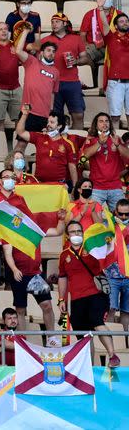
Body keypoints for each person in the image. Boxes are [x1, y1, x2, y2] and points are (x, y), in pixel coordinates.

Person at [58, 220, 120, 367]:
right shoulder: (63, 255)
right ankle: (89, 368)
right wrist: (61, 299)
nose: (76, 234)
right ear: (67, 236)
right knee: (84, 337)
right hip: (77, 299)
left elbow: (109, 250)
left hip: (96, 295)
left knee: (96, 321)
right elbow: (62, 277)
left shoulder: (93, 248)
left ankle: (112, 355)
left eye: (79, 231)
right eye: (73, 232)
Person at [2, 208, 66, 337]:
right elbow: (8, 254)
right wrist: (14, 269)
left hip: (35, 276)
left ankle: (51, 338)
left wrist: (62, 219)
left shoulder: (35, 230)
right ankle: (21, 341)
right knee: (20, 310)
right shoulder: (9, 233)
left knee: (47, 305)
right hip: (19, 276)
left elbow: (58, 231)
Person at [13, 30, 60, 153]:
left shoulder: (56, 72)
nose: (51, 53)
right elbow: (18, 51)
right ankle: (12, 171)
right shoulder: (32, 62)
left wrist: (51, 113)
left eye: (53, 51)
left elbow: (52, 94)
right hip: (29, 113)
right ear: (42, 52)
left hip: (45, 116)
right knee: (21, 146)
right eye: (48, 50)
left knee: (45, 149)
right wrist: (25, 32)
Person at [39, 13, 87, 129]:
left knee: (78, 115)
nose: (54, 24)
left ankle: (76, 143)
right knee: (53, 117)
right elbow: (38, 61)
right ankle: (55, 145)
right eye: (52, 22)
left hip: (72, 82)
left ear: (65, 24)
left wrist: (76, 62)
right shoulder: (45, 40)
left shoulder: (76, 39)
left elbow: (85, 58)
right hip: (52, 82)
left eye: (57, 22)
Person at [15, 108, 77, 186]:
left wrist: (75, 187)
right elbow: (20, 132)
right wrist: (24, 115)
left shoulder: (68, 144)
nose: (48, 124)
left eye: (52, 122)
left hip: (59, 184)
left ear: (59, 126)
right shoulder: (39, 137)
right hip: (39, 183)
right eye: (48, 122)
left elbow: (72, 167)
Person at [81, 113, 129, 210]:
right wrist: (99, 143)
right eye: (101, 121)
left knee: (122, 217)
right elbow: (85, 156)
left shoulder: (117, 139)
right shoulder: (90, 140)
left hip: (115, 186)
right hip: (96, 187)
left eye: (107, 121)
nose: (104, 123)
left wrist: (118, 145)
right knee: (91, 215)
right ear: (96, 124)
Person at [97, 1, 129, 127]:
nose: (125, 23)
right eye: (121, 21)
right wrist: (100, 8)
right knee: (115, 117)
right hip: (116, 82)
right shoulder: (110, 37)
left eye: (126, 21)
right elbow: (104, 23)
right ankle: (114, 144)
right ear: (115, 25)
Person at [80, 0, 122, 67]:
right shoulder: (89, 14)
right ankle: (93, 76)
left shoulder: (119, 14)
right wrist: (85, 46)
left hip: (113, 46)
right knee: (84, 56)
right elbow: (82, 35)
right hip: (94, 46)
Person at [108, 199, 129, 331]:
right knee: (110, 309)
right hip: (112, 275)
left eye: (127, 214)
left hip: (128, 276)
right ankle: (106, 343)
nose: (123, 217)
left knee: (126, 312)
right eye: (120, 214)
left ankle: (126, 344)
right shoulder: (108, 226)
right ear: (115, 211)